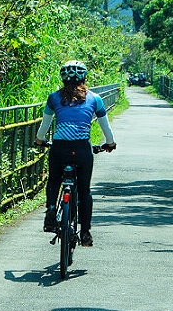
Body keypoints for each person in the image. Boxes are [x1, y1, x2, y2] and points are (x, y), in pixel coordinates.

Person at [34, 60, 116, 247]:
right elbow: (106, 127)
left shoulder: (53, 98)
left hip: (59, 148)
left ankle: (51, 210)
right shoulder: (95, 99)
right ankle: (85, 232)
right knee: (85, 190)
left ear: (63, 79)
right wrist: (110, 143)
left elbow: (44, 126)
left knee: (54, 180)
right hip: (82, 149)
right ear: (85, 77)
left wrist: (39, 140)